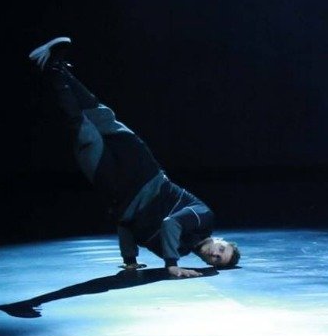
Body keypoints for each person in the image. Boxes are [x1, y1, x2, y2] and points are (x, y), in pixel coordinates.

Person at [27, 37, 239, 277]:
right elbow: (172, 223)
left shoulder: (177, 248)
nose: (215, 254)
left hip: (119, 194)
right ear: (220, 239)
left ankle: (54, 70)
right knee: (103, 118)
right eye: (221, 249)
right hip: (144, 173)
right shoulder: (204, 218)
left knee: (84, 133)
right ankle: (58, 69)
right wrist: (171, 265)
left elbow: (128, 226)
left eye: (218, 260)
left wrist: (129, 260)